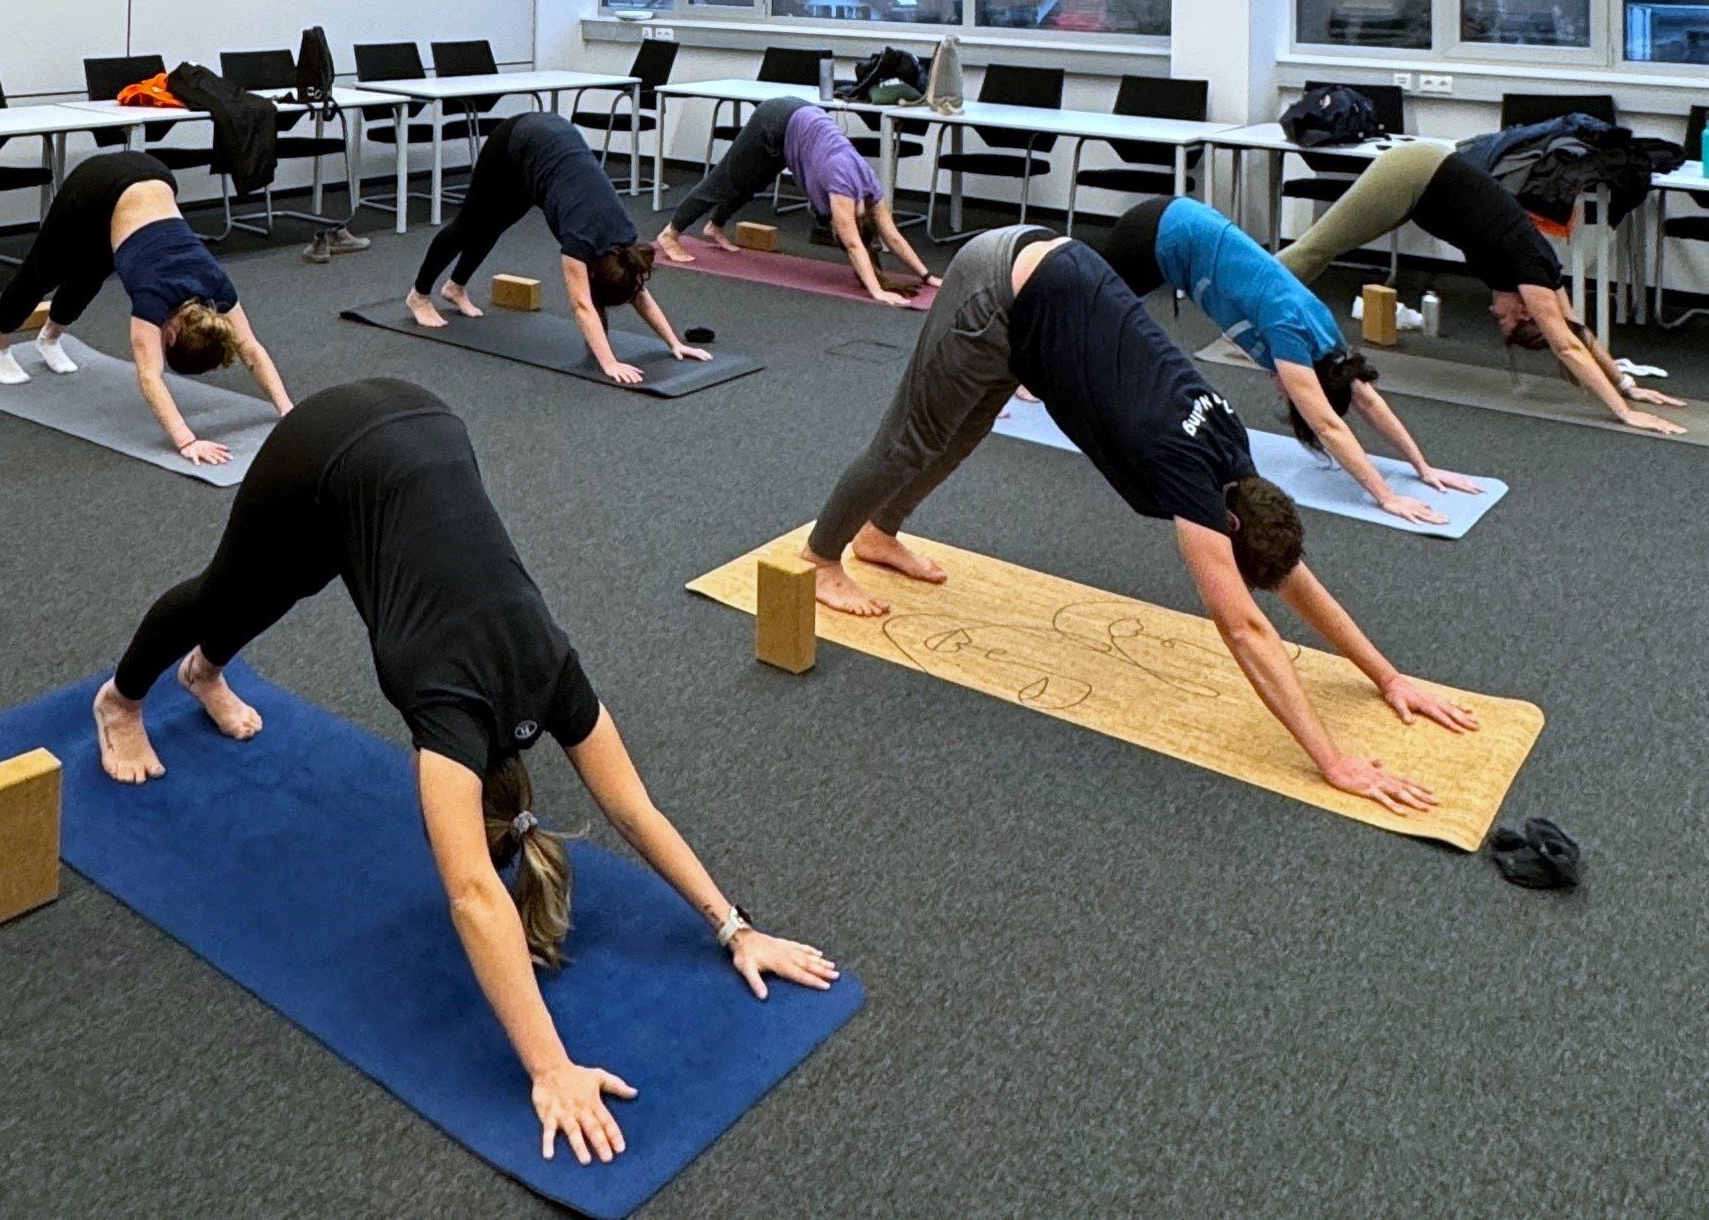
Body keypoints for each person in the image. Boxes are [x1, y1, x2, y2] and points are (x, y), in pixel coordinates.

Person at [92, 378, 835, 1164]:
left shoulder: (552, 672)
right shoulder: (448, 712)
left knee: (298, 572)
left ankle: (204, 670)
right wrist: (551, 1068)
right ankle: (121, 700)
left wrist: (737, 929)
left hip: (432, 422)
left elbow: (633, 809)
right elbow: (473, 891)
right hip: (332, 439)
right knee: (232, 587)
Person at [803, 228, 1478, 813]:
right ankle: (824, 558)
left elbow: (1289, 576)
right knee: (912, 441)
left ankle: (879, 533)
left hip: (1049, 290)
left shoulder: (1237, 462)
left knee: (963, 431)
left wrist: (1388, 677)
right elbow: (1244, 627)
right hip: (997, 286)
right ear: (1230, 528)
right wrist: (1335, 762)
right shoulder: (1191, 481)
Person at [1102, 196, 1479, 525]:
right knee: (1089, 308)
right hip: (1157, 234)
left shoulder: (1328, 342)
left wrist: (1422, 466)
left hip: (1180, 226)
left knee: (1098, 309)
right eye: (1289, 399)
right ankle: (1040, 370)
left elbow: (1367, 399)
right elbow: (1329, 425)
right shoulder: (1290, 334)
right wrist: (1386, 495)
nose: (1280, 393)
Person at [1276, 142, 1687, 436]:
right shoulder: (1530, 270)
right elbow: (1566, 346)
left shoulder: (1539, 270)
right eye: (1506, 320)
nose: (1495, 315)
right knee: (1317, 249)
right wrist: (1624, 413)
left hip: (1420, 188)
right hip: (1414, 173)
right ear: (1526, 311)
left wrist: (1628, 386)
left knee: (1323, 249)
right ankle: (1240, 291)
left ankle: (1251, 298)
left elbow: (1578, 331)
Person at [0, 151, 293, 466]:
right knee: (43, 271)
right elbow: (150, 376)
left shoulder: (217, 286)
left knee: (92, 270)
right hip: (96, 184)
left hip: (152, 177)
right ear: (169, 336)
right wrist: (187, 440)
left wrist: (287, 410)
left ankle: (48, 338)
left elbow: (250, 349)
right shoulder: (153, 299)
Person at [406, 112, 710, 385]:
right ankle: (418, 296)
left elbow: (638, 292)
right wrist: (609, 362)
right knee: (469, 224)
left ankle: (455, 288)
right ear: (590, 270)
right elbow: (581, 304)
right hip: (518, 140)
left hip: (548, 158)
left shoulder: (625, 239)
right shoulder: (578, 242)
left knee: (496, 223)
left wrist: (674, 342)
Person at [653, 97, 941, 307]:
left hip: (799, 126)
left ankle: (714, 226)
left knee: (754, 181)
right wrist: (876, 291)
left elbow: (893, 236)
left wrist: (927, 276)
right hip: (775, 119)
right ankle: (671, 233)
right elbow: (854, 244)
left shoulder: (872, 191)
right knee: (724, 180)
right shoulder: (841, 188)